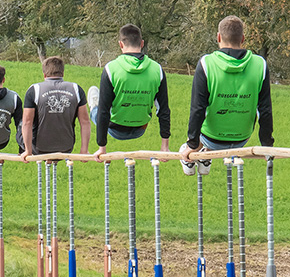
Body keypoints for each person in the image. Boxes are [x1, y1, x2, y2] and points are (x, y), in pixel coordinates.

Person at [179, 16, 273, 175]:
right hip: (241, 139)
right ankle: (204, 156)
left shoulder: (206, 64)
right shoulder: (260, 64)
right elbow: (264, 110)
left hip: (211, 137)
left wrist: (192, 144)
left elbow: (198, 109)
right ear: (243, 39)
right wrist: (267, 146)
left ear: (218, 37)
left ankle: (197, 155)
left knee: (189, 145)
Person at [89, 25, 171, 159]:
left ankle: (93, 106)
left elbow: (104, 112)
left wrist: (101, 148)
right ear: (142, 43)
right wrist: (164, 147)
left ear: (120, 44)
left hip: (115, 129)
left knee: (97, 111)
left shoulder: (111, 69)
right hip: (140, 128)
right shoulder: (157, 69)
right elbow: (163, 110)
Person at [21, 56, 90, 157]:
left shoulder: (34, 90)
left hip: (39, 149)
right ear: (62, 73)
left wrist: (28, 151)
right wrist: (84, 150)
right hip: (66, 148)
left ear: (44, 75)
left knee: (21, 123)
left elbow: (27, 122)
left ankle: (24, 150)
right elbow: (85, 122)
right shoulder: (76, 89)